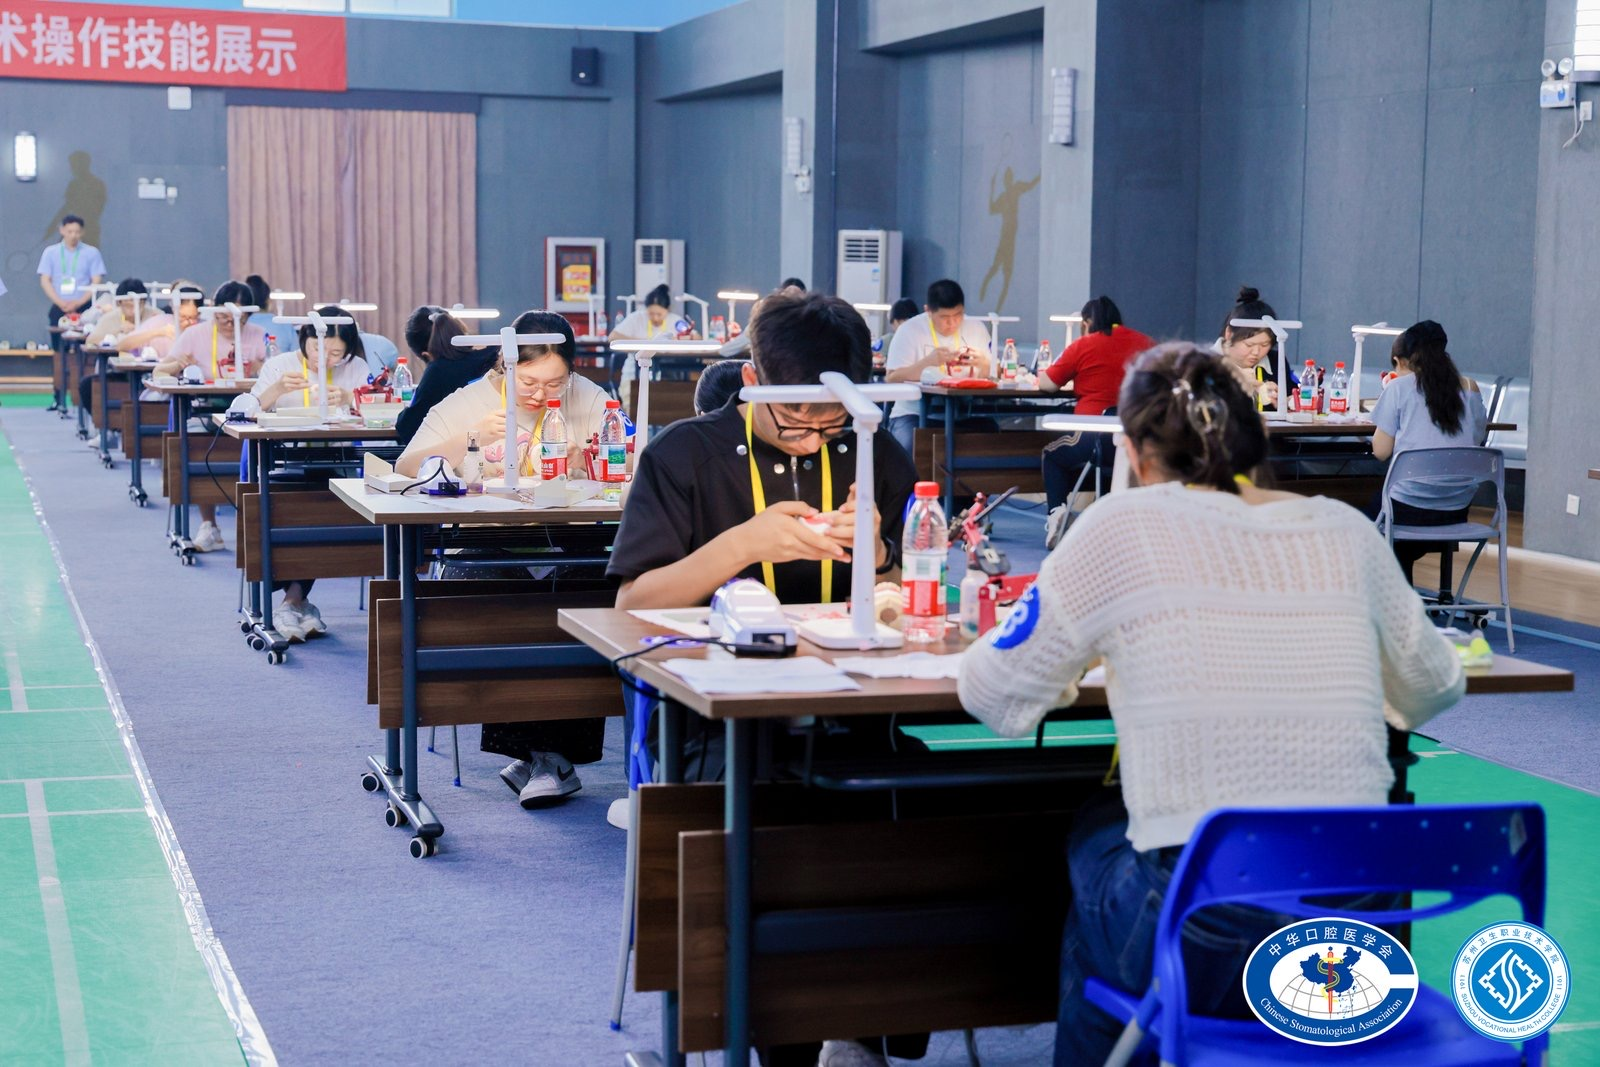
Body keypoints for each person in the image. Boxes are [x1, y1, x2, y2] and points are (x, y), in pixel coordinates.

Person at [957, 343, 1465, 1067]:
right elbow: (1435, 684)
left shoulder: (1118, 528)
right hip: (1357, 915)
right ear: (1254, 438)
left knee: (1095, 832)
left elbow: (993, 690)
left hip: (1209, 922)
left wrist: (1081, 667)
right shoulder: (1347, 530)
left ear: (1136, 454)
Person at [610, 290, 925, 1067]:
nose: (817, 438)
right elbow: (631, 604)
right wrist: (744, 543)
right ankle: (784, 1032)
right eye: (797, 420)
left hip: (856, 705)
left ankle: (876, 1016)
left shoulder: (875, 451)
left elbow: (904, 583)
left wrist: (879, 556)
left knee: (926, 798)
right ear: (753, 381)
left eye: (833, 423)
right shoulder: (684, 455)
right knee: (770, 813)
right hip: (721, 720)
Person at [241, 310, 369, 639]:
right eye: (316, 348)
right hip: (282, 463)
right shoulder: (280, 365)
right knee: (297, 511)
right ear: (304, 340)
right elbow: (247, 411)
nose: (324, 358)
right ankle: (296, 602)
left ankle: (293, 603)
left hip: (336, 463)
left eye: (336, 353)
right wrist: (276, 390)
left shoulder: (355, 368)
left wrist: (352, 400)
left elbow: (379, 411)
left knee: (324, 510)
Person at [1369, 320, 1489, 585]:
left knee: (1366, 519)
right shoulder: (1470, 388)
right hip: (1455, 509)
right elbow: (1477, 439)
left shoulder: (1398, 389)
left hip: (1407, 508)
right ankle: (1406, 593)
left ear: (1405, 358)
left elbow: (1381, 451)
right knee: (1398, 534)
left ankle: (1394, 596)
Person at [160, 280, 272, 553]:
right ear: (214, 310)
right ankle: (208, 524)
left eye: (238, 317)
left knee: (264, 453)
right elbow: (160, 371)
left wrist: (261, 366)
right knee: (196, 445)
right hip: (206, 409)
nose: (230, 323)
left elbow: (273, 375)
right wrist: (179, 365)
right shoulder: (196, 334)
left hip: (250, 412)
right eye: (223, 316)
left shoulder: (259, 335)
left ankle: (256, 526)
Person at [1038, 296, 1155, 541]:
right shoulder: (1145, 343)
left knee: (1052, 455)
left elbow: (1047, 384)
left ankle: (1057, 514)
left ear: (1087, 323)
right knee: (1110, 465)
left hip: (1092, 436)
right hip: (1136, 440)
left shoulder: (1084, 344)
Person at [883, 279, 993, 456]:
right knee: (914, 448)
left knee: (995, 440)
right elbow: (892, 378)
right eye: (944, 318)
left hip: (964, 413)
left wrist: (985, 365)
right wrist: (927, 363)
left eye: (958, 315)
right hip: (914, 413)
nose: (952, 323)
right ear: (928, 311)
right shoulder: (909, 330)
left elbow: (997, 375)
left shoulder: (976, 328)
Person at [393, 306, 491, 449]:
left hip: (461, 454)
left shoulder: (437, 371)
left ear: (426, 355)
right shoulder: (494, 357)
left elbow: (408, 427)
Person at [611, 284, 699, 411]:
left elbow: (697, 337)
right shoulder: (636, 318)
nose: (655, 317)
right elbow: (613, 337)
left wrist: (682, 338)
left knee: (672, 405)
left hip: (667, 378)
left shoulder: (675, 321)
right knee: (635, 406)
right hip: (633, 376)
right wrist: (648, 343)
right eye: (651, 313)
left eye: (659, 314)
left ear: (667, 310)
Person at [38, 215, 107, 353]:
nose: (73, 235)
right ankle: (59, 361)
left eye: (77, 232)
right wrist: (60, 302)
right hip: (60, 305)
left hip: (84, 306)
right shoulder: (50, 252)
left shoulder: (91, 253)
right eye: (70, 231)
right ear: (62, 230)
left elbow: (96, 281)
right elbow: (45, 280)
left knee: (85, 344)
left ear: (82, 232)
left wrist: (79, 302)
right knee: (59, 345)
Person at [1214, 285, 1290, 407]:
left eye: (1265, 344)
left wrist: (1287, 403)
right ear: (1229, 334)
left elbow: (1291, 396)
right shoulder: (1205, 364)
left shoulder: (1276, 361)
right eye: (1249, 344)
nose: (1256, 352)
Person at [243, 274, 296, 354]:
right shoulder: (285, 325)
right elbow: (298, 356)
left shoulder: (240, 325)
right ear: (268, 301)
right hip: (281, 362)